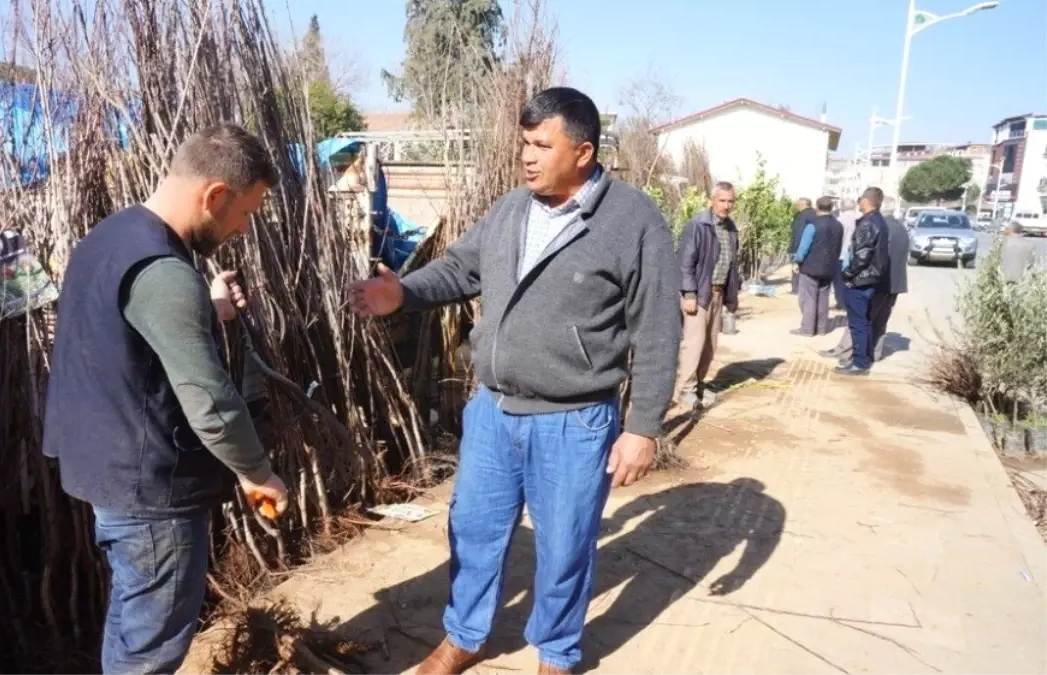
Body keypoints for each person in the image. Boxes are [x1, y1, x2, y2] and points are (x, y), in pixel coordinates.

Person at [348, 87, 681, 675]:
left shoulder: (633, 221)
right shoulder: (510, 210)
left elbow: (657, 325)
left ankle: (555, 655)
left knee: (564, 548)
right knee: (473, 532)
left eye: (540, 145)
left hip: (575, 420)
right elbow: (458, 268)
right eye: (523, 143)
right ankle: (464, 637)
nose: (526, 156)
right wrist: (402, 292)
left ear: (582, 152)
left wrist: (644, 426)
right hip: (493, 412)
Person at [42, 124, 290, 674]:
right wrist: (256, 472)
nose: (242, 229)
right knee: (150, 652)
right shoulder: (167, 274)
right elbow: (209, 400)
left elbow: (128, 338)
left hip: (106, 472)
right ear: (215, 196)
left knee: (133, 627)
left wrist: (208, 307)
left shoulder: (110, 236)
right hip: (152, 493)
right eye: (245, 214)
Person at [676, 182, 741, 409]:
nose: (726, 205)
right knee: (694, 343)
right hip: (699, 293)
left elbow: (733, 265)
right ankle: (685, 389)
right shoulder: (698, 225)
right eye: (722, 200)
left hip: (718, 292)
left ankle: (698, 384)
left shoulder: (731, 229)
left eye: (730, 201)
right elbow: (685, 262)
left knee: (710, 345)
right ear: (712, 200)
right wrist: (690, 293)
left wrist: (732, 298)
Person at [821, 208, 909, 363]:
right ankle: (874, 353)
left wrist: (850, 274)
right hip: (895, 284)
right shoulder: (901, 228)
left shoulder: (878, 227)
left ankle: (846, 352)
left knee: (859, 320)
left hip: (877, 282)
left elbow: (870, 257)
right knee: (880, 322)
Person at [836, 186, 890, 376]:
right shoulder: (880, 222)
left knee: (857, 323)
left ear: (866, 201)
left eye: (860, 199)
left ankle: (860, 363)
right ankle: (861, 359)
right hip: (870, 279)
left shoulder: (868, 224)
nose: (858, 202)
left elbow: (862, 256)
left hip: (860, 280)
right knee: (864, 322)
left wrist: (848, 274)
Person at [791, 196, 843, 336]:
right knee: (823, 299)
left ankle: (807, 329)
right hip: (829, 267)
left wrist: (797, 261)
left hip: (810, 267)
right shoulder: (838, 225)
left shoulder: (812, 225)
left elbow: (804, 247)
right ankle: (821, 328)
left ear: (817, 207)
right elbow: (838, 247)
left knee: (808, 298)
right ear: (831, 208)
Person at [833, 203, 860, 310]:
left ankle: (841, 303)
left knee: (839, 281)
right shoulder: (859, 218)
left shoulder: (839, 220)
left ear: (843, 207)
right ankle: (852, 302)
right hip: (856, 254)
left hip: (841, 254)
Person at [788, 198, 815, 294]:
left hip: (799, 246)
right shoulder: (815, 214)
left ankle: (796, 289)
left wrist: (795, 249)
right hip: (812, 247)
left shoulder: (802, 216)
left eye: (798, 204)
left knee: (796, 269)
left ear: (803, 204)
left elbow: (798, 232)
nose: (796, 206)